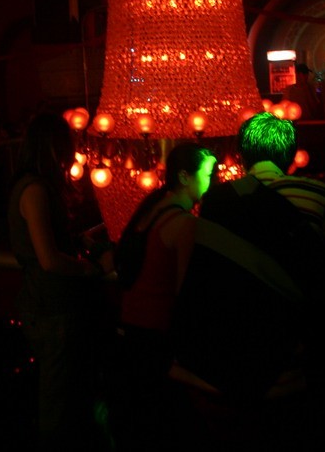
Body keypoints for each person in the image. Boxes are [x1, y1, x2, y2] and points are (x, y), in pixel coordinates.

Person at [172, 112, 325, 448]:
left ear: (241, 156)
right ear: (290, 157)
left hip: (214, 367)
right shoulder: (315, 194)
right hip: (285, 368)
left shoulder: (218, 199)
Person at [8, 111, 114, 452]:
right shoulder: (35, 190)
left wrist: (80, 240)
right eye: (66, 145)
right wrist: (94, 269)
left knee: (63, 392)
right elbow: (49, 259)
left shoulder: (31, 186)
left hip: (45, 303)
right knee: (58, 397)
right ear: (54, 148)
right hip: (52, 306)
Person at [109, 142, 217, 450]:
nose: (212, 181)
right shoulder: (184, 224)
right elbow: (186, 292)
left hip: (129, 331)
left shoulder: (152, 209)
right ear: (184, 177)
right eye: (207, 174)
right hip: (157, 337)